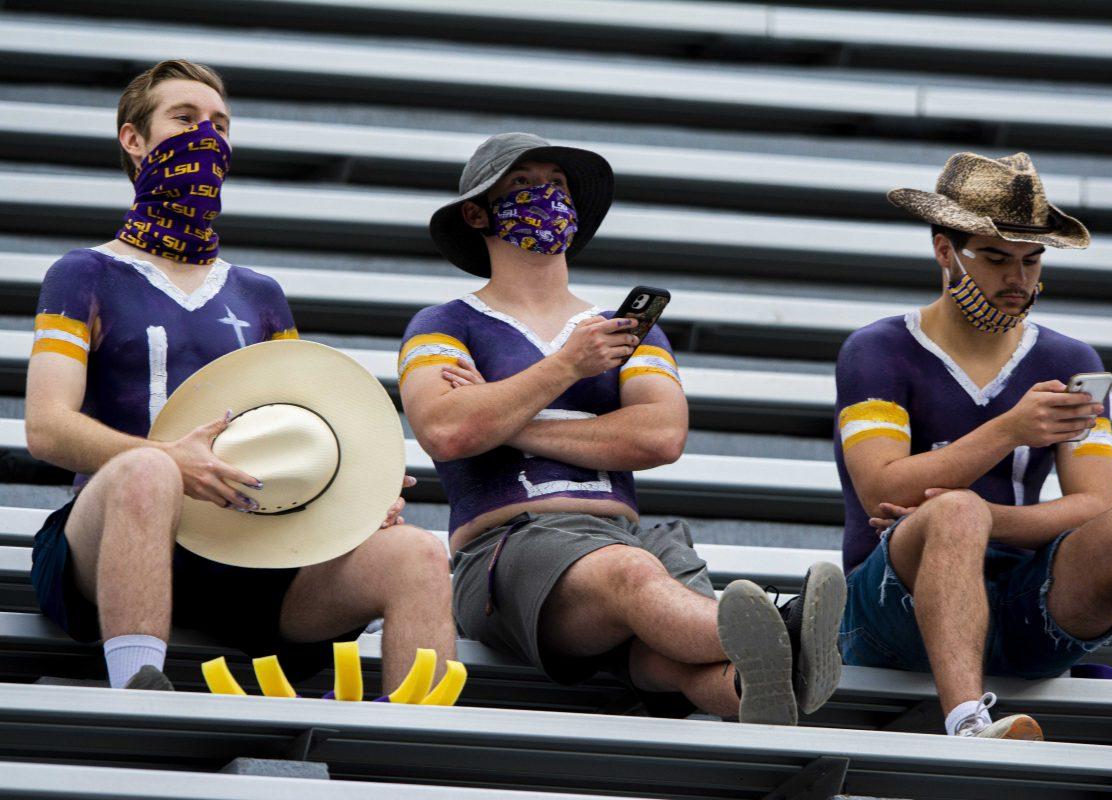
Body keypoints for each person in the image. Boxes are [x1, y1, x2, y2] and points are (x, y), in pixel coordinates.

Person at [25, 60, 455, 695]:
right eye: (185, 119)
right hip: (116, 533)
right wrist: (172, 460)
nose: (207, 136)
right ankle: (137, 690)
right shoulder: (84, 274)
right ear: (133, 140)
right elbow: (46, 427)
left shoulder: (261, 293)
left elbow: (307, 424)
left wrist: (361, 502)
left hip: (251, 546)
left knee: (417, 553)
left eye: (219, 125)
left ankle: (423, 745)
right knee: (149, 471)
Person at [400, 132, 846, 724]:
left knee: (679, 658)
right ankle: (790, 632)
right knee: (634, 575)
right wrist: (568, 367)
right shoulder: (442, 324)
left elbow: (659, 436)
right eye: (524, 184)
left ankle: (756, 695)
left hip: (630, 539)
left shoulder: (629, 328)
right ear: (477, 213)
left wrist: (508, 422)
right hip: (510, 551)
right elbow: (448, 431)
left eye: (556, 185)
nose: (547, 196)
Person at [834, 152, 1112, 748]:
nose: (1019, 280)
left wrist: (989, 521)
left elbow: (1097, 506)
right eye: (998, 259)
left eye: (1032, 261)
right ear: (944, 251)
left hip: (1020, 601)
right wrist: (1007, 430)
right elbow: (881, 489)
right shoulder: (876, 349)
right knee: (954, 513)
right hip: (891, 610)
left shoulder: (1071, 360)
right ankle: (967, 724)